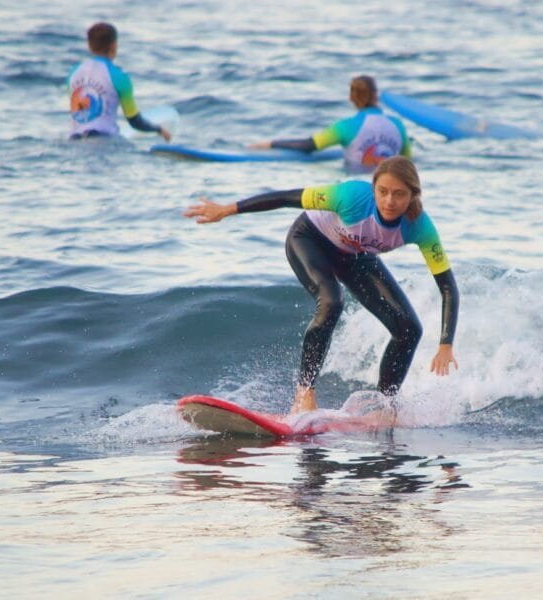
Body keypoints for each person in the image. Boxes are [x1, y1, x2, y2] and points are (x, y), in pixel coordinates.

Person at [184, 156, 459, 414]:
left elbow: (447, 284)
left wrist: (446, 343)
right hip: (309, 239)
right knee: (331, 301)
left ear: (413, 195)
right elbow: (286, 198)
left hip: (353, 255)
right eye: (383, 191)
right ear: (373, 188)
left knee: (409, 328)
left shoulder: (420, 227)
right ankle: (304, 394)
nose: (389, 201)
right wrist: (227, 210)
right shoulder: (350, 196)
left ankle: (383, 407)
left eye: (399, 194)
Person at [250, 75, 411, 172]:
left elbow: (309, 145)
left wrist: (271, 144)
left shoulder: (345, 127)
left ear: (351, 98)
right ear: (376, 95)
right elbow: (407, 160)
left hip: (357, 183)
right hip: (389, 188)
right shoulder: (398, 125)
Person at [68, 22, 171, 141]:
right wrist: (159, 129)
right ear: (114, 46)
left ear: (89, 46)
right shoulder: (119, 77)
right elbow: (135, 121)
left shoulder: (73, 73)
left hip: (74, 141)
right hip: (104, 141)